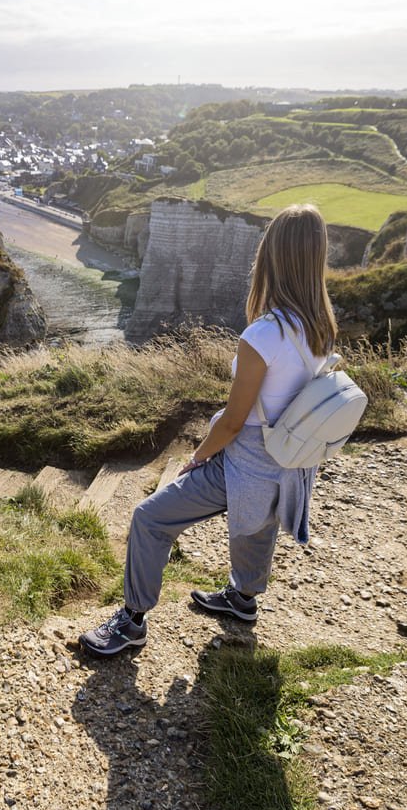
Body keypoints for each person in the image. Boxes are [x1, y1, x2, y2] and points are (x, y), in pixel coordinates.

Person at [79, 204, 338, 657]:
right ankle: (243, 598)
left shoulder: (264, 334)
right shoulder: (320, 326)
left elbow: (234, 422)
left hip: (250, 458)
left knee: (150, 518)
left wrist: (199, 456)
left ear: (272, 257)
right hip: (289, 460)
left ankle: (132, 620)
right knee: (258, 520)